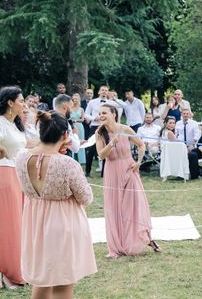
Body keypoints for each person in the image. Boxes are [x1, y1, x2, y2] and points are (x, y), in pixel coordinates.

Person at [16, 111, 96, 299]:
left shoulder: (22, 157)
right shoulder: (67, 164)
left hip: (34, 219)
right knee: (63, 278)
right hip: (62, 221)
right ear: (64, 135)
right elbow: (86, 197)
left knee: (42, 273)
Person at [95, 104, 161, 257]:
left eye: (104, 113)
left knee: (135, 205)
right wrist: (112, 142)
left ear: (114, 114)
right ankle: (117, 246)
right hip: (112, 172)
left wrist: (138, 162)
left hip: (128, 169)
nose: (101, 116)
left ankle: (147, 239)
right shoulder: (100, 133)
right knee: (115, 208)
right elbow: (101, 155)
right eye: (99, 114)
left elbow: (141, 145)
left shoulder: (125, 129)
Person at [0, 86, 28, 288]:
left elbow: (26, 145)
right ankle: (6, 272)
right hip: (2, 174)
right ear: (10, 102)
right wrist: (0, 148)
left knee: (17, 223)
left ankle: (16, 268)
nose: (24, 104)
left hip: (17, 174)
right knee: (7, 224)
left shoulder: (16, 124)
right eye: (21, 101)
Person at [83, 84, 111, 177]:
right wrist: (94, 118)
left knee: (105, 148)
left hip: (106, 127)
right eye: (102, 90)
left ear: (108, 92)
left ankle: (104, 173)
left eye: (106, 90)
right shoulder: (92, 102)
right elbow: (86, 114)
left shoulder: (110, 103)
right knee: (91, 149)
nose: (104, 92)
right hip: (94, 126)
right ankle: (87, 171)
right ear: (99, 91)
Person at [69, 93, 86, 165]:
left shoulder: (81, 109)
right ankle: (72, 158)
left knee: (80, 142)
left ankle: (81, 160)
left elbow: (83, 119)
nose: (75, 100)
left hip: (79, 126)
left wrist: (75, 121)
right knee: (72, 141)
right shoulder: (70, 108)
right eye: (73, 99)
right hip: (71, 126)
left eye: (76, 99)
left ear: (79, 100)